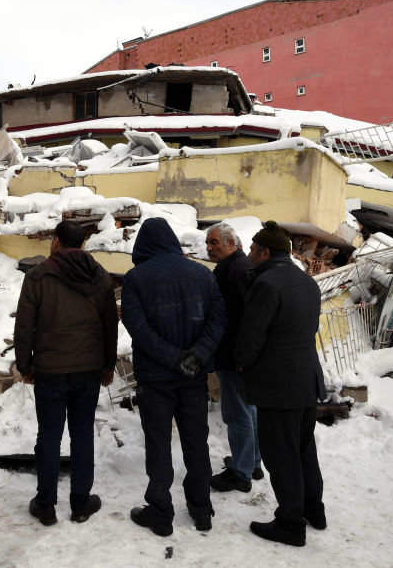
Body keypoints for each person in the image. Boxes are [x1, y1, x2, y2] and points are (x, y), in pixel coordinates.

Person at [121, 217, 225, 536]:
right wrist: (194, 358)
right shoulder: (202, 274)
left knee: (159, 443)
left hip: (156, 378)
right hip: (193, 377)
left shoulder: (136, 279)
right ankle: (201, 508)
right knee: (196, 443)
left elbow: (139, 329)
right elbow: (218, 320)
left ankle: (161, 511)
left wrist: (174, 359)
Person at [13, 220, 118, 526]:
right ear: (82, 244)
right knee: (83, 434)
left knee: (48, 436)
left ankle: (46, 505)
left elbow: (24, 326)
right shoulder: (99, 276)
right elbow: (110, 324)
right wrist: (108, 365)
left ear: (56, 241)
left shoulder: (38, 276)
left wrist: (25, 366)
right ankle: (81, 503)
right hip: (87, 371)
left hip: (50, 371)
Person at [234, 221, 326, 547]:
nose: (248, 255)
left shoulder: (267, 284)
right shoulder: (307, 282)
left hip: (278, 386)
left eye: (252, 250)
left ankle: (290, 523)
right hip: (307, 380)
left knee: (281, 455)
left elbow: (252, 336)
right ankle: (314, 510)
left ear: (265, 252)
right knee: (303, 450)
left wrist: (241, 361)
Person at [204, 223, 262, 494]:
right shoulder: (237, 267)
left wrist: (238, 355)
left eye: (215, 242)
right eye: (208, 243)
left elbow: (240, 319)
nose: (210, 247)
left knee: (237, 413)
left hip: (234, 355)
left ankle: (241, 472)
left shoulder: (235, 271)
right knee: (248, 409)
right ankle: (252, 462)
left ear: (232, 243)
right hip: (240, 355)